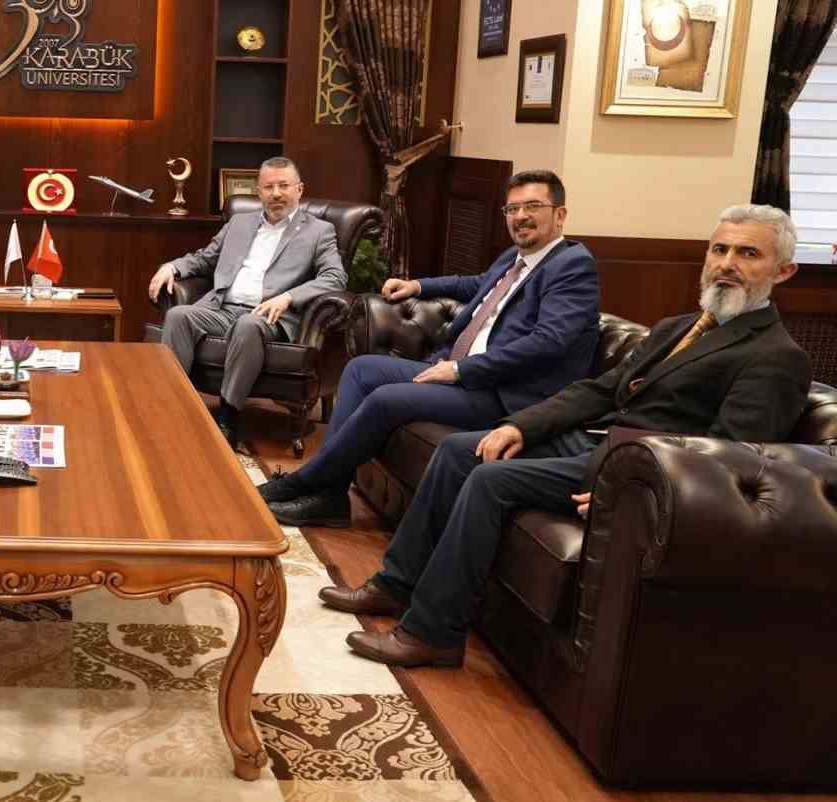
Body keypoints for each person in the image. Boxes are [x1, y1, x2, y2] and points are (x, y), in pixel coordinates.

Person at [318, 205, 811, 668]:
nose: (727, 264)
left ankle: (433, 634)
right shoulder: (678, 327)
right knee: (457, 450)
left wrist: (623, 491)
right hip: (593, 439)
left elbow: (729, 458)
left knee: (490, 480)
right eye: (720, 249)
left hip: (638, 468)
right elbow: (602, 389)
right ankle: (395, 585)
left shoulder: (776, 357)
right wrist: (519, 425)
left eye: (748, 253)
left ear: (783, 271)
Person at [259, 170, 601, 527]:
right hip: (464, 373)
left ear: (560, 215)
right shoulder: (516, 258)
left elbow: (548, 342)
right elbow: (476, 284)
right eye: (512, 209)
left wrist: (460, 370)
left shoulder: (572, 266)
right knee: (361, 369)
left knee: (386, 399)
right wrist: (418, 286)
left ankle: (305, 482)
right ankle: (330, 495)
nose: (520, 216)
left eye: (532, 206)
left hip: (504, 392)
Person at [148, 156, 347, 448]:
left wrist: (289, 297)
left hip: (269, 315)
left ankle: (229, 417)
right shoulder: (239, 223)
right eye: (268, 187)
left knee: (247, 325)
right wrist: (172, 267)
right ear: (259, 192)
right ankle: (170, 407)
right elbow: (205, 258)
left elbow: (335, 277)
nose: (276, 193)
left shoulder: (319, 231)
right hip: (222, 308)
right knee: (179, 315)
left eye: (283, 186)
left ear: (299, 189)